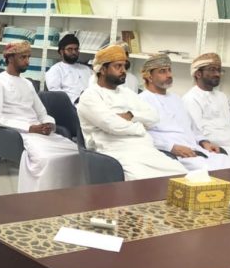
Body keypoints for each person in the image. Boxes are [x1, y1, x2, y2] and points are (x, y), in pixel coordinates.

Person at [77, 45, 187, 180]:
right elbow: (113, 126)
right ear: (103, 69)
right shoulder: (89, 96)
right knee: (142, 181)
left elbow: (153, 117)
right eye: (118, 66)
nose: (123, 71)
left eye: (124, 66)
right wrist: (140, 127)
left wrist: (131, 116)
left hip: (145, 149)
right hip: (114, 152)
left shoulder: (126, 92)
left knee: (181, 174)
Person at [0, 41, 82, 192]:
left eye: (28, 57)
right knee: (46, 159)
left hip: (39, 131)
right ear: (10, 58)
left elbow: (42, 112)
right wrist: (30, 128)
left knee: (76, 153)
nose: (27, 61)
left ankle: (68, 197)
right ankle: (41, 199)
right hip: (18, 134)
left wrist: (48, 124)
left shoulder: (27, 83)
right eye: (23, 57)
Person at [139, 54, 230, 171]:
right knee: (222, 172)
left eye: (169, 70)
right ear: (149, 76)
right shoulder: (141, 101)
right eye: (162, 71)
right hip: (173, 154)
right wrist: (171, 147)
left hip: (196, 149)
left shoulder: (176, 98)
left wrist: (204, 142)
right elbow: (143, 134)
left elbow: (193, 127)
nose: (169, 75)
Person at [45, 33, 93, 104]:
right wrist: (77, 99)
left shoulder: (86, 69)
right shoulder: (55, 70)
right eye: (70, 49)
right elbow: (55, 94)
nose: (74, 52)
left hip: (91, 103)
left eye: (76, 49)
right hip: (69, 105)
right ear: (61, 52)